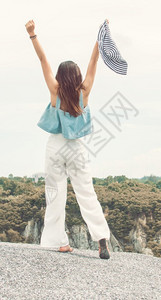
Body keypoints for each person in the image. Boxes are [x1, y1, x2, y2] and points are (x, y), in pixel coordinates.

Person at [25, 19, 111, 259]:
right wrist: (98, 41)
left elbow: (43, 61)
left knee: (55, 193)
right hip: (77, 148)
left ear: (61, 77)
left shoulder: (55, 91)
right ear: (77, 76)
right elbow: (94, 62)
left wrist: (33, 35)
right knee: (86, 192)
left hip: (55, 146)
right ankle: (102, 239)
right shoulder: (84, 92)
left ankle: (59, 242)